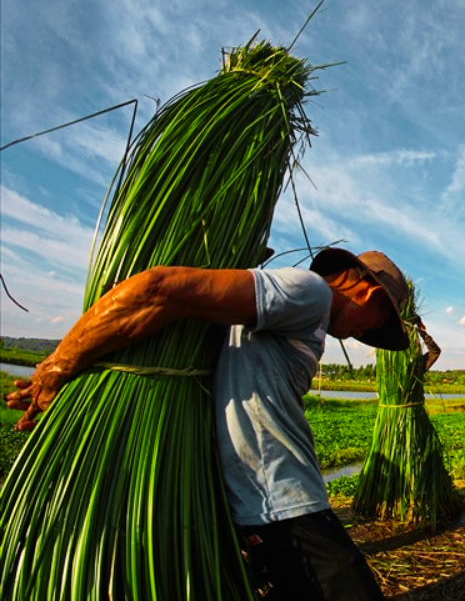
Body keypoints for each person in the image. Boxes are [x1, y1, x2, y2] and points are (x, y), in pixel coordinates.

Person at [5, 247, 412, 600]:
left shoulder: (305, 312)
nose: (361, 336)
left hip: (277, 502)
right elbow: (160, 289)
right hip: (284, 505)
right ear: (368, 290)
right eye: (374, 324)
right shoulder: (311, 293)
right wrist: (58, 367)